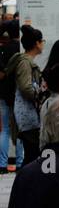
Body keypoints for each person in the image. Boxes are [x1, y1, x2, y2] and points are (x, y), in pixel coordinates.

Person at [12, 25, 45, 167]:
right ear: (37, 43)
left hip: (28, 115)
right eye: (42, 41)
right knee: (31, 156)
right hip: (27, 116)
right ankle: (24, 184)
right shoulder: (25, 63)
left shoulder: (25, 61)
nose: (43, 44)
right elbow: (26, 88)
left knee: (31, 155)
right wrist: (40, 96)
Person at [0, 18, 20, 171]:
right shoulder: (21, 48)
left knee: (5, 130)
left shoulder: (3, 49)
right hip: (19, 94)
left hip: (3, 93)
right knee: (19, 130)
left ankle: (2, 164)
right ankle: (20, 163)